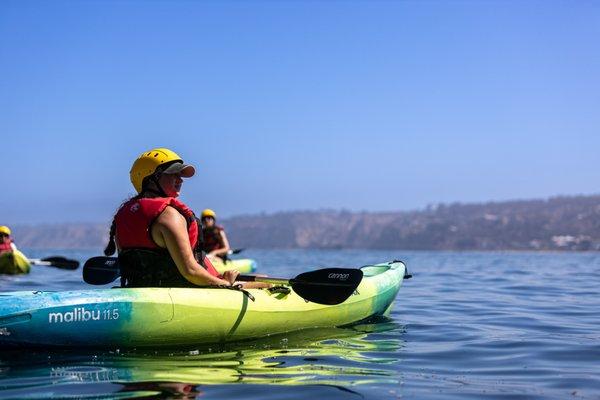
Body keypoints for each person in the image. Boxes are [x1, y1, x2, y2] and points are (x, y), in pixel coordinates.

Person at [104, 148, 253, 288]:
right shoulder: (169, 216)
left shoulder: (123, 216)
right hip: (188, 290)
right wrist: (225, 283)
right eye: (173, 174)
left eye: (180, 175)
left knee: (259, 278)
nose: (180, 180)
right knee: (267, 285)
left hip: (141, 290)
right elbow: (190, 271)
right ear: (151, 179)